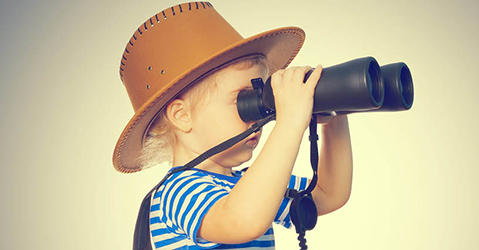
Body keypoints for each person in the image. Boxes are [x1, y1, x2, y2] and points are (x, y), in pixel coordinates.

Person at [113, 2, 352, 249]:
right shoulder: (176, 192)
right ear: (182, 115)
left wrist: (337, 114)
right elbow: (242, 221)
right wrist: (290, 121)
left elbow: (328, 194)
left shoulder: (249, 183)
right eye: (243, 99)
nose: (258, 117)